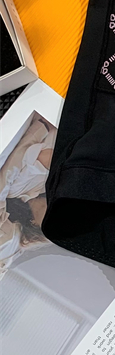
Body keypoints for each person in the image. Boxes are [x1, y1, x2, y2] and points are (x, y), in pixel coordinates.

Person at [0, 116, 55, 272]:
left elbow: (10, 171)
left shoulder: (18, 192)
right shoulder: (42, 189)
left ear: (34, 223)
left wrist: (40, 128)